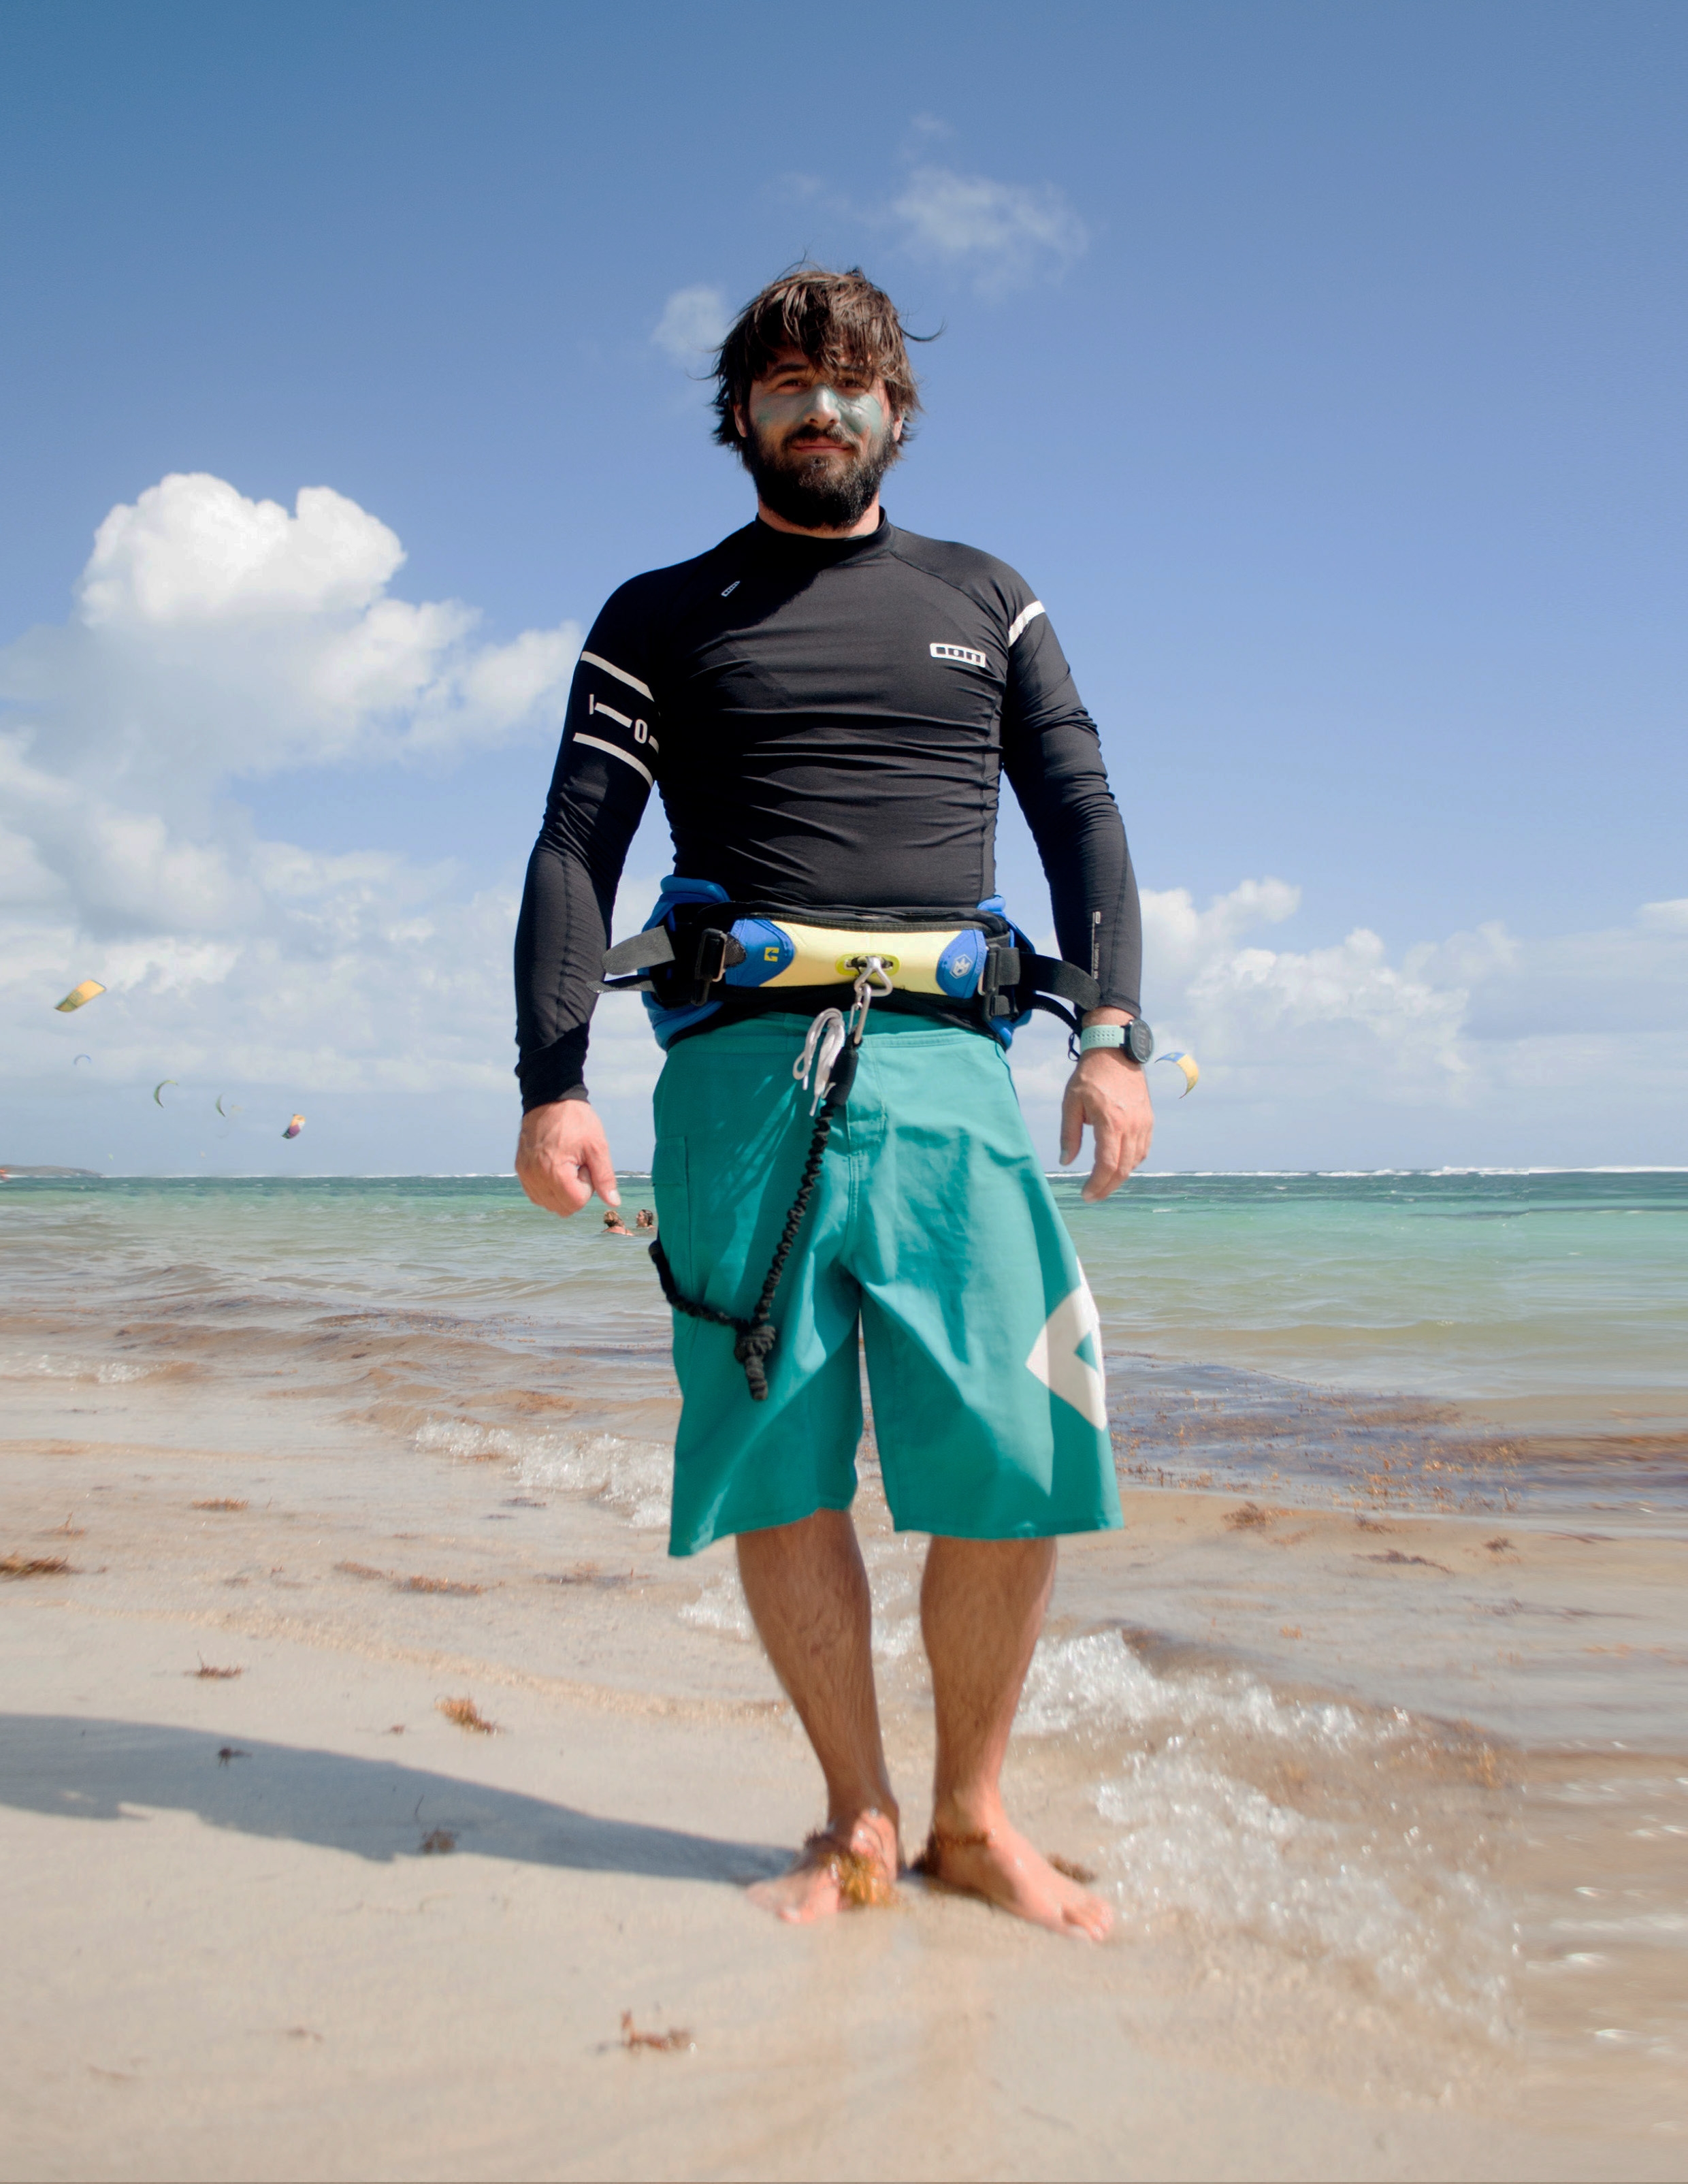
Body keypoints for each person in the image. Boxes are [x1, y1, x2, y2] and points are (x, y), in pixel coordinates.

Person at [514, 268, 1152, 1937]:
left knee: (1017, 1444)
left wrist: (1110, 1035)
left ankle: (973, 1816)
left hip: (950, 1077)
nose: (820, 408)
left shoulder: (985, 595)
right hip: (738, 1082)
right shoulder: (661, 613)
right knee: (776, 1461)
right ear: (741, 414)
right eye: (787, 384)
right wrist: (552, 1080)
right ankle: (855, 1811)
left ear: (896, 410)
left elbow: (1081, 814)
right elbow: (575, 848)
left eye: (850, 382)